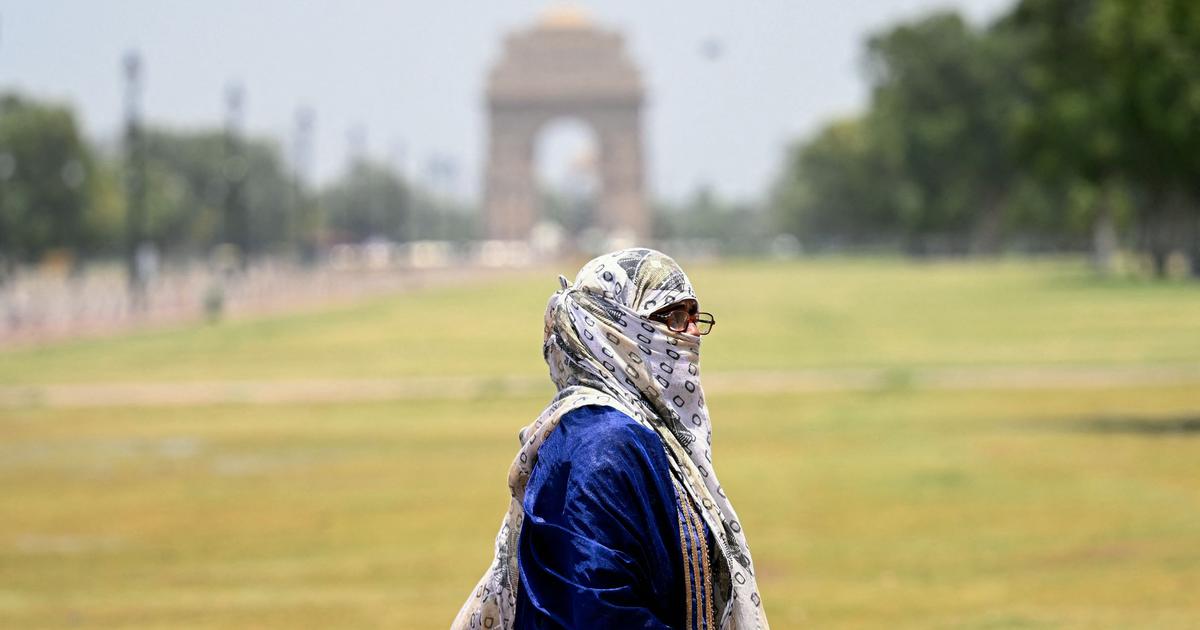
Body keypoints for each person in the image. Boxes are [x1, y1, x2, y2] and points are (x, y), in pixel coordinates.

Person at [453, 248, 770, 630]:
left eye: (692, 316)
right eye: (673, 316)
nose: (690, 333)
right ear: (615, 331)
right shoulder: (602, 442)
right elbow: (602, 607)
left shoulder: (635, 433)